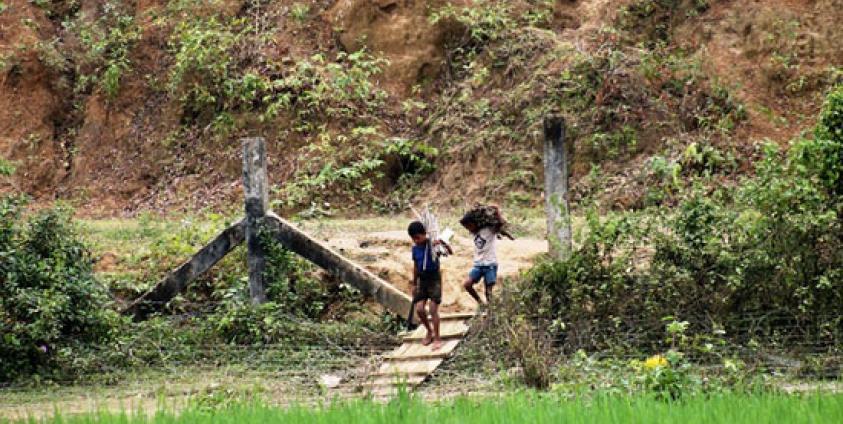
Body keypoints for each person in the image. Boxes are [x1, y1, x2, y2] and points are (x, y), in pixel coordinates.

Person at [408, 221, 450, 350]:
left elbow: (449, 252)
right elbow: (415, 266)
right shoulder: (415, 249)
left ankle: (437, 338)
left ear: (424, 234)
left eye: (418, 238)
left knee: (432, 309)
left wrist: (442, 243)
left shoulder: (433, 245)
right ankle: (429, 330)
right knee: (420, 309)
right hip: (422, 279)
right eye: (413, 239)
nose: (416, 241)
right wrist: (414, 283)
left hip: (434, 279)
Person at [460, 212, 500, 306]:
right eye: (466, 227)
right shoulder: (473, 233)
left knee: (488, 292)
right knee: (467, 285)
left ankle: (492, 313)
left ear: (475, 223)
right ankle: (481, 304)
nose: (468, 229)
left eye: (469, 226)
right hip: (478, 265)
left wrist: (497, 213)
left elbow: (500, 224)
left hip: (490, 264)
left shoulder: (489, 230)